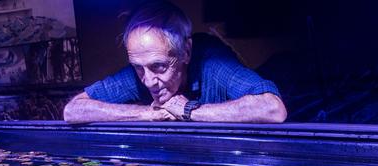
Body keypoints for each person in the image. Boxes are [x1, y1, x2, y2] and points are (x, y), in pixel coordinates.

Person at [64, 1, 286, 124]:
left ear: (185, 52)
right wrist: (147, 114)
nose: (149, 82)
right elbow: (73, 111)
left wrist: (188, 110)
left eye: (159, 66)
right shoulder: (141, 73)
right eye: (138, 68)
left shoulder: (212, 62)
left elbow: (272, 108)